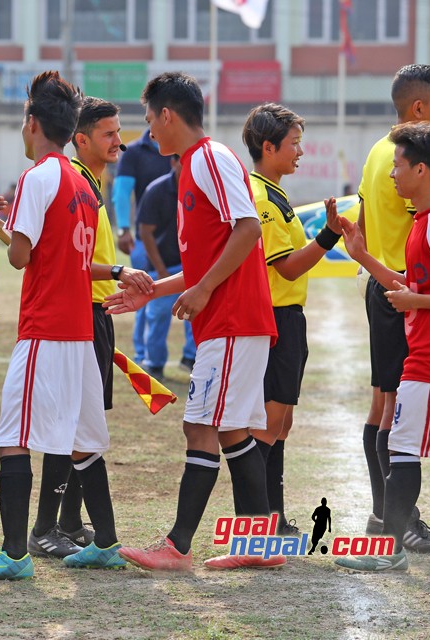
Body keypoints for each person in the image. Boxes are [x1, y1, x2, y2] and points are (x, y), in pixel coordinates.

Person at [0, 72, 130, 581]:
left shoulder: (38, 176)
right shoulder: (81, 182)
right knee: (83, 442)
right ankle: (107, 542)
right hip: (78, 329)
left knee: (13, 435)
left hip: (46, 328)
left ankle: (13, 555)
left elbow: (21, 256)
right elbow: (63, 252)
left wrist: (1, 226)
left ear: (32, 122)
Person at [105, 71, 280, 571]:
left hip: (232, 319)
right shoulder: (192, 166)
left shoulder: (211, 157)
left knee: (201, 426)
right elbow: (206, 260)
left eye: (148, 121)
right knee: (228, 431)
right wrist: (153, 292)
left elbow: (247, 227)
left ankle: (178, 547)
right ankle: (258, 544)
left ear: (167, 114)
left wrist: (204, 290)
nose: (148, 133)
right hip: (227, 321)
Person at [26, 96, 140, 560]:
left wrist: (117, 275)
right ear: (80, 139)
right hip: (75, 318)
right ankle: (43, 527)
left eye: (119, 132)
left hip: (95, 315)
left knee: (85, 426)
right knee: (68, 424)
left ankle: (70, 522)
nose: (119, 141)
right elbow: (59, 258)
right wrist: (115, 272)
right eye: (109, 133)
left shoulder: (92, 183)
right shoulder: (74, 184)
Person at [335, 121, 430, 571]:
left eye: (398, 166)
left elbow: (422, 294)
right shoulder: (423, 221)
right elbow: (410, 284)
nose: (391, 174)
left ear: (421, 170)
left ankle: (389, 552)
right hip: (423, 355)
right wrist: (362, 254)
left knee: (401, 446)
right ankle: (390, 548)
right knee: (400, 446)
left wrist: (414, 301)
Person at [241, 103, 343, 532]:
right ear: (268, 147)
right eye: (293, 144)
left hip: (287, 316)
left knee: (280, 422)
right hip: (275, 317)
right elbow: (286, 267)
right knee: (268, 421)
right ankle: (258, 519)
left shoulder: (273, 190)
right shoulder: (262, 198)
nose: (299, 151)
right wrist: (329, 234)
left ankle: (274, 515)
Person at [113, 128, 172, 366]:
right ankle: (142, 355)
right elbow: (121, 192)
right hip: (144, 240)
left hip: (179, 241)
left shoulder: (180, 148)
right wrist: (124, 229)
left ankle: (190, 356)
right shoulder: (134, 152)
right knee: (143, 295)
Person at [137, 155, 197, 377]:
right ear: (172, 163)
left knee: (195, 314)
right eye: (182, 162)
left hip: (191, 268)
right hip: (162, 265)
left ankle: (191, 358)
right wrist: (160, 269)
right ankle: (154, 363)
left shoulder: (198, 188)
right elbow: (146, 232)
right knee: (158, 316)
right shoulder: (157, 190)